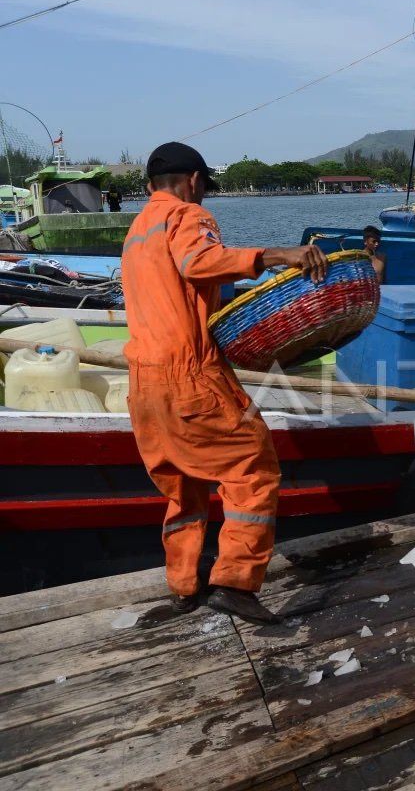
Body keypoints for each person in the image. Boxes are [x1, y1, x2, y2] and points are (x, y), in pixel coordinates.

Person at [121, 142, 328, 625]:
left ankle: (185, 585)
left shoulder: (136, 229)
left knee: (183, 485)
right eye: (204, 188)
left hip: (144, 383)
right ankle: (234, 583)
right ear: (193, 181)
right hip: (189, 375)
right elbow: (198, 262)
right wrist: (276, 254)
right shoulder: (187, 216)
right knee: (254, 468)